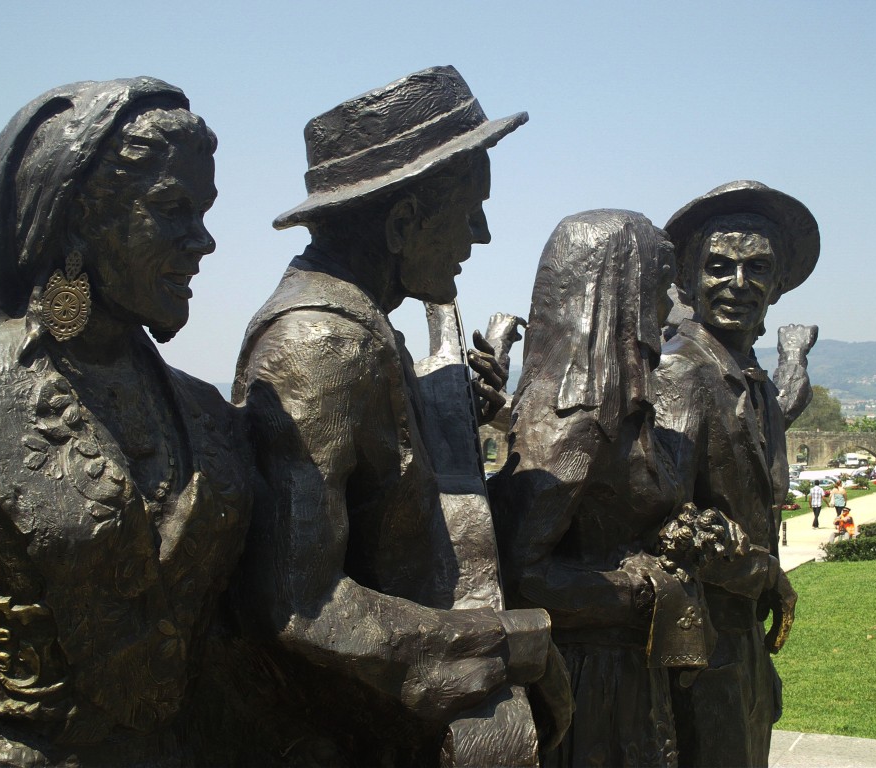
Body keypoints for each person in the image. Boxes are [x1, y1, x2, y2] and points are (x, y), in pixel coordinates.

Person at [232, 66, 569, 766]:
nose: (481, 233)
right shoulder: (322, 346)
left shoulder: (368, 330)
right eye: (470, 209)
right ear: (403, 223)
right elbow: (300, 604)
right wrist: (506, 642)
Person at [0, 78, 252, 766]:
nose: (201, 241)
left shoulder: (207, 416)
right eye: (173, 209)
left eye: (203, 211)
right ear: (80, 220)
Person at [493, 210, 744, 768]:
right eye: (660, 289)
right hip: (587, 685)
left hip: (628, 673)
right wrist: (641, 587)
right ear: (622, 294)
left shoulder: (624, 407)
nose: (671, 308)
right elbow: (521, 572)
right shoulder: (576, 419)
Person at [652, 180, 820, 767]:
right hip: (698, 654)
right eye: (719, 267)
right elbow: (664, 525)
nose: (738, 285)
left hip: (742, 643)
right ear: (689, 278)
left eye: (758, 269)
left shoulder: (753, 381)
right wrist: (767, 575)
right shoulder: (682, 375)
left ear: (778, 286)